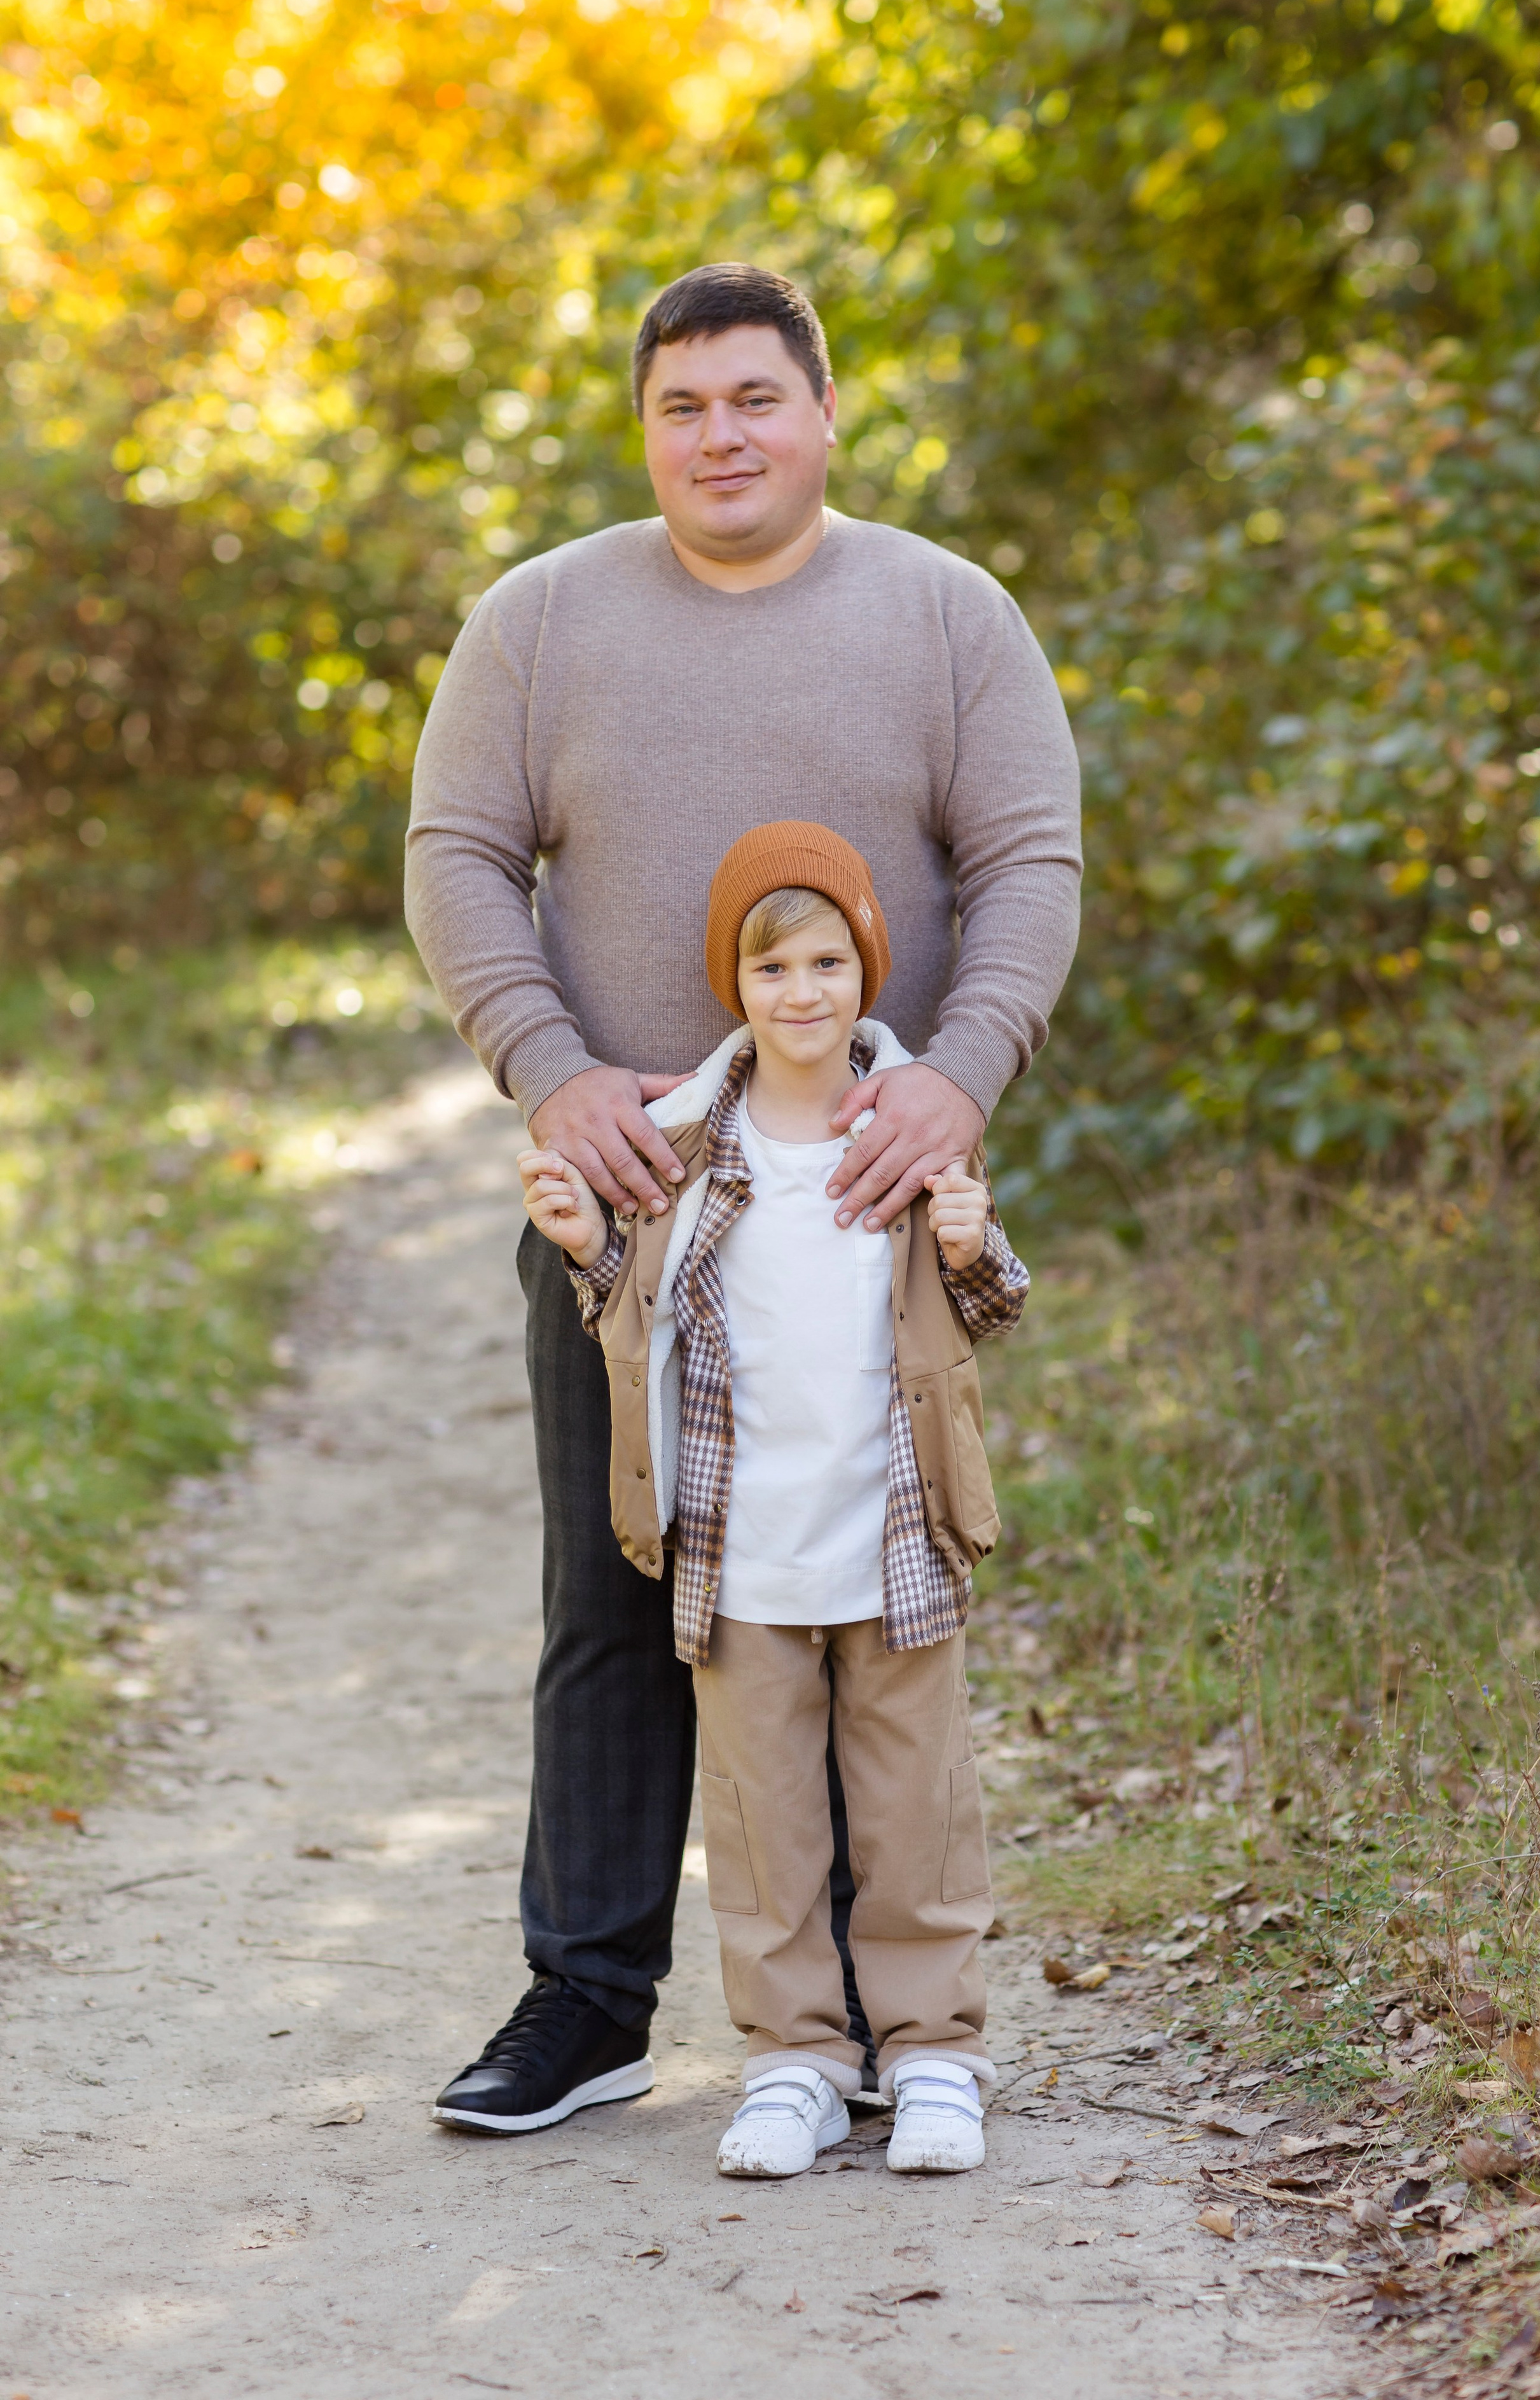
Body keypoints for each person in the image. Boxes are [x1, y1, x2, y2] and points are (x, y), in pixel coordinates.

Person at [406, 261, 1081, 2137]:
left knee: (877, 1608)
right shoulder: (540, 622)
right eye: (683, 406)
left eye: (753, 399)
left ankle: (891, 2021)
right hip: (626, 1226)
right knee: (619, 1602)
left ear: (824, 409)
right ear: (648, 429)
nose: (720, 436)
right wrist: (553, 1070)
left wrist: (955, 1078)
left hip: (867, 1224)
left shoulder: (948, 617)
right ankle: (589, 2002)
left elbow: (1030, 862)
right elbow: (455, 853)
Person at [522, 824, 1025, 2176]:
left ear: (866, 965)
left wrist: (974, 1246)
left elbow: (989, 1306)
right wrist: (585, 1247)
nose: (801, 992)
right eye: (770, 967)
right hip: (739, 1552)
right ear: (730, 986)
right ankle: (792, 2059)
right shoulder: (688, 1143)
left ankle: (930, 2056)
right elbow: (634, 1319)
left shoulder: (906, 1131)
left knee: (913, 1812)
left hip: (892, 1539)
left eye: (826, 961)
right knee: (761, 1824)